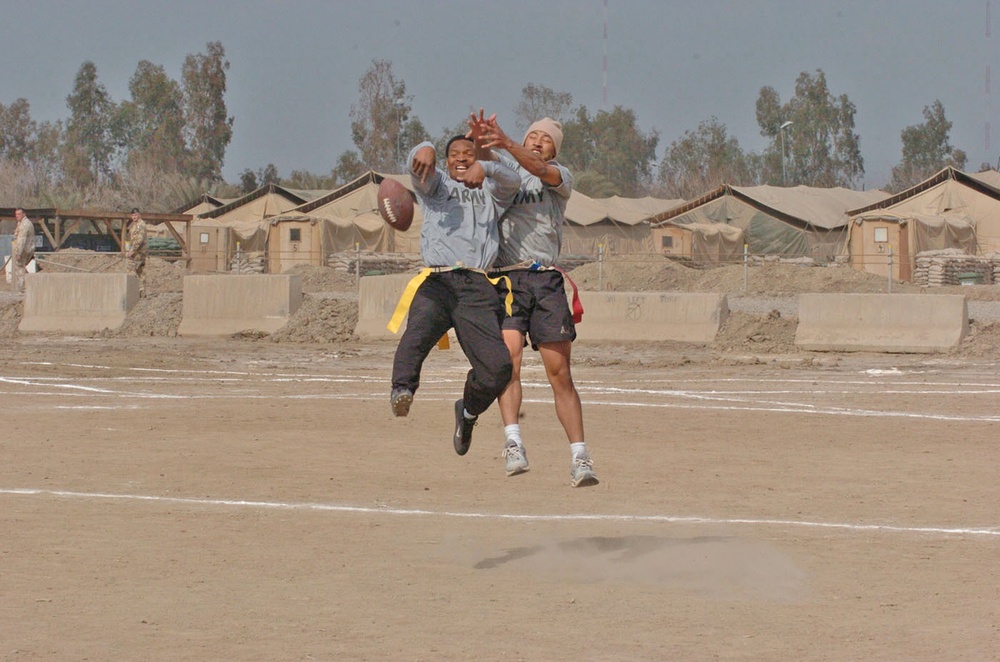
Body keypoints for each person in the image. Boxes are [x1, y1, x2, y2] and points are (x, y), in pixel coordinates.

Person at [471, 112, 598, 488]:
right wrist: (480, 138)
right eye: (533, 136)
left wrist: (507, 141)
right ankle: (513, 442)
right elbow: (480, 162)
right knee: (508, 360)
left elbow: (540, 169)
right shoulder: (507, 171)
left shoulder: (560, 176)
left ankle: (580, 456)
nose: (537, 141)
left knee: (560, 373)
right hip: (508, 277)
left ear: (555, 148)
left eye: (546, 138)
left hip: (544, 279)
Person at [388, 135, 521, 457]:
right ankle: (402, 389)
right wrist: (425, 147)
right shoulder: (436, 187)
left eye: (468, 154)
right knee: (417, 333)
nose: (461, 158)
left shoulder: (492, 192)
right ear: (446, 162)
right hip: (438, 279)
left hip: (477, 286)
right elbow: (418, 165)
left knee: (498, 368)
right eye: (454, 154)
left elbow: (514, 180)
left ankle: (468, 411)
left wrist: (486, 167)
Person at [11, 207, 35, 293]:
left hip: (25, 250)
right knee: (21, 267)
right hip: (27, 249)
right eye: (16, 214)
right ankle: (30, 283)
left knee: (19, 266)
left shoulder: (25, 225)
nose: (17, 216)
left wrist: (18, 253)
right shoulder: (21, 223)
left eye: (19, 214)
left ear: (24, 214)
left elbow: (22, 240)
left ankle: (24, 288)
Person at [126, 207, 148, 296]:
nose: (134, 217)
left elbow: (139, 240)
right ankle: (142, 291)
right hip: (136, 252)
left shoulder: (141, 225)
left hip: (139, 252)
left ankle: (132, 290)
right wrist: (127, 249)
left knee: (130, 269)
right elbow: (129, 238)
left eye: (135, 215)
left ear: (139, 215)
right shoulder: (133, 226)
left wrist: (131, 251)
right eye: (132, 215)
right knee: (140, 272)